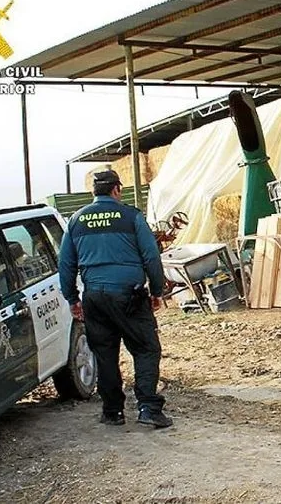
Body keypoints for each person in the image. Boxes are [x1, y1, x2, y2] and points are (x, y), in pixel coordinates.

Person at [59, 170, 173, 428]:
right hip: (128, 295)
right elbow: (151, 256)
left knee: (105, 353)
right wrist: (157, 291)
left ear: (93, 192)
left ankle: (112, 411)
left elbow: (65, 264)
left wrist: (72, 299)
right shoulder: (131, 216)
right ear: (116, 190)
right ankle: (148, 408)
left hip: (94, 298)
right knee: (146, 348)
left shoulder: (76, 220)